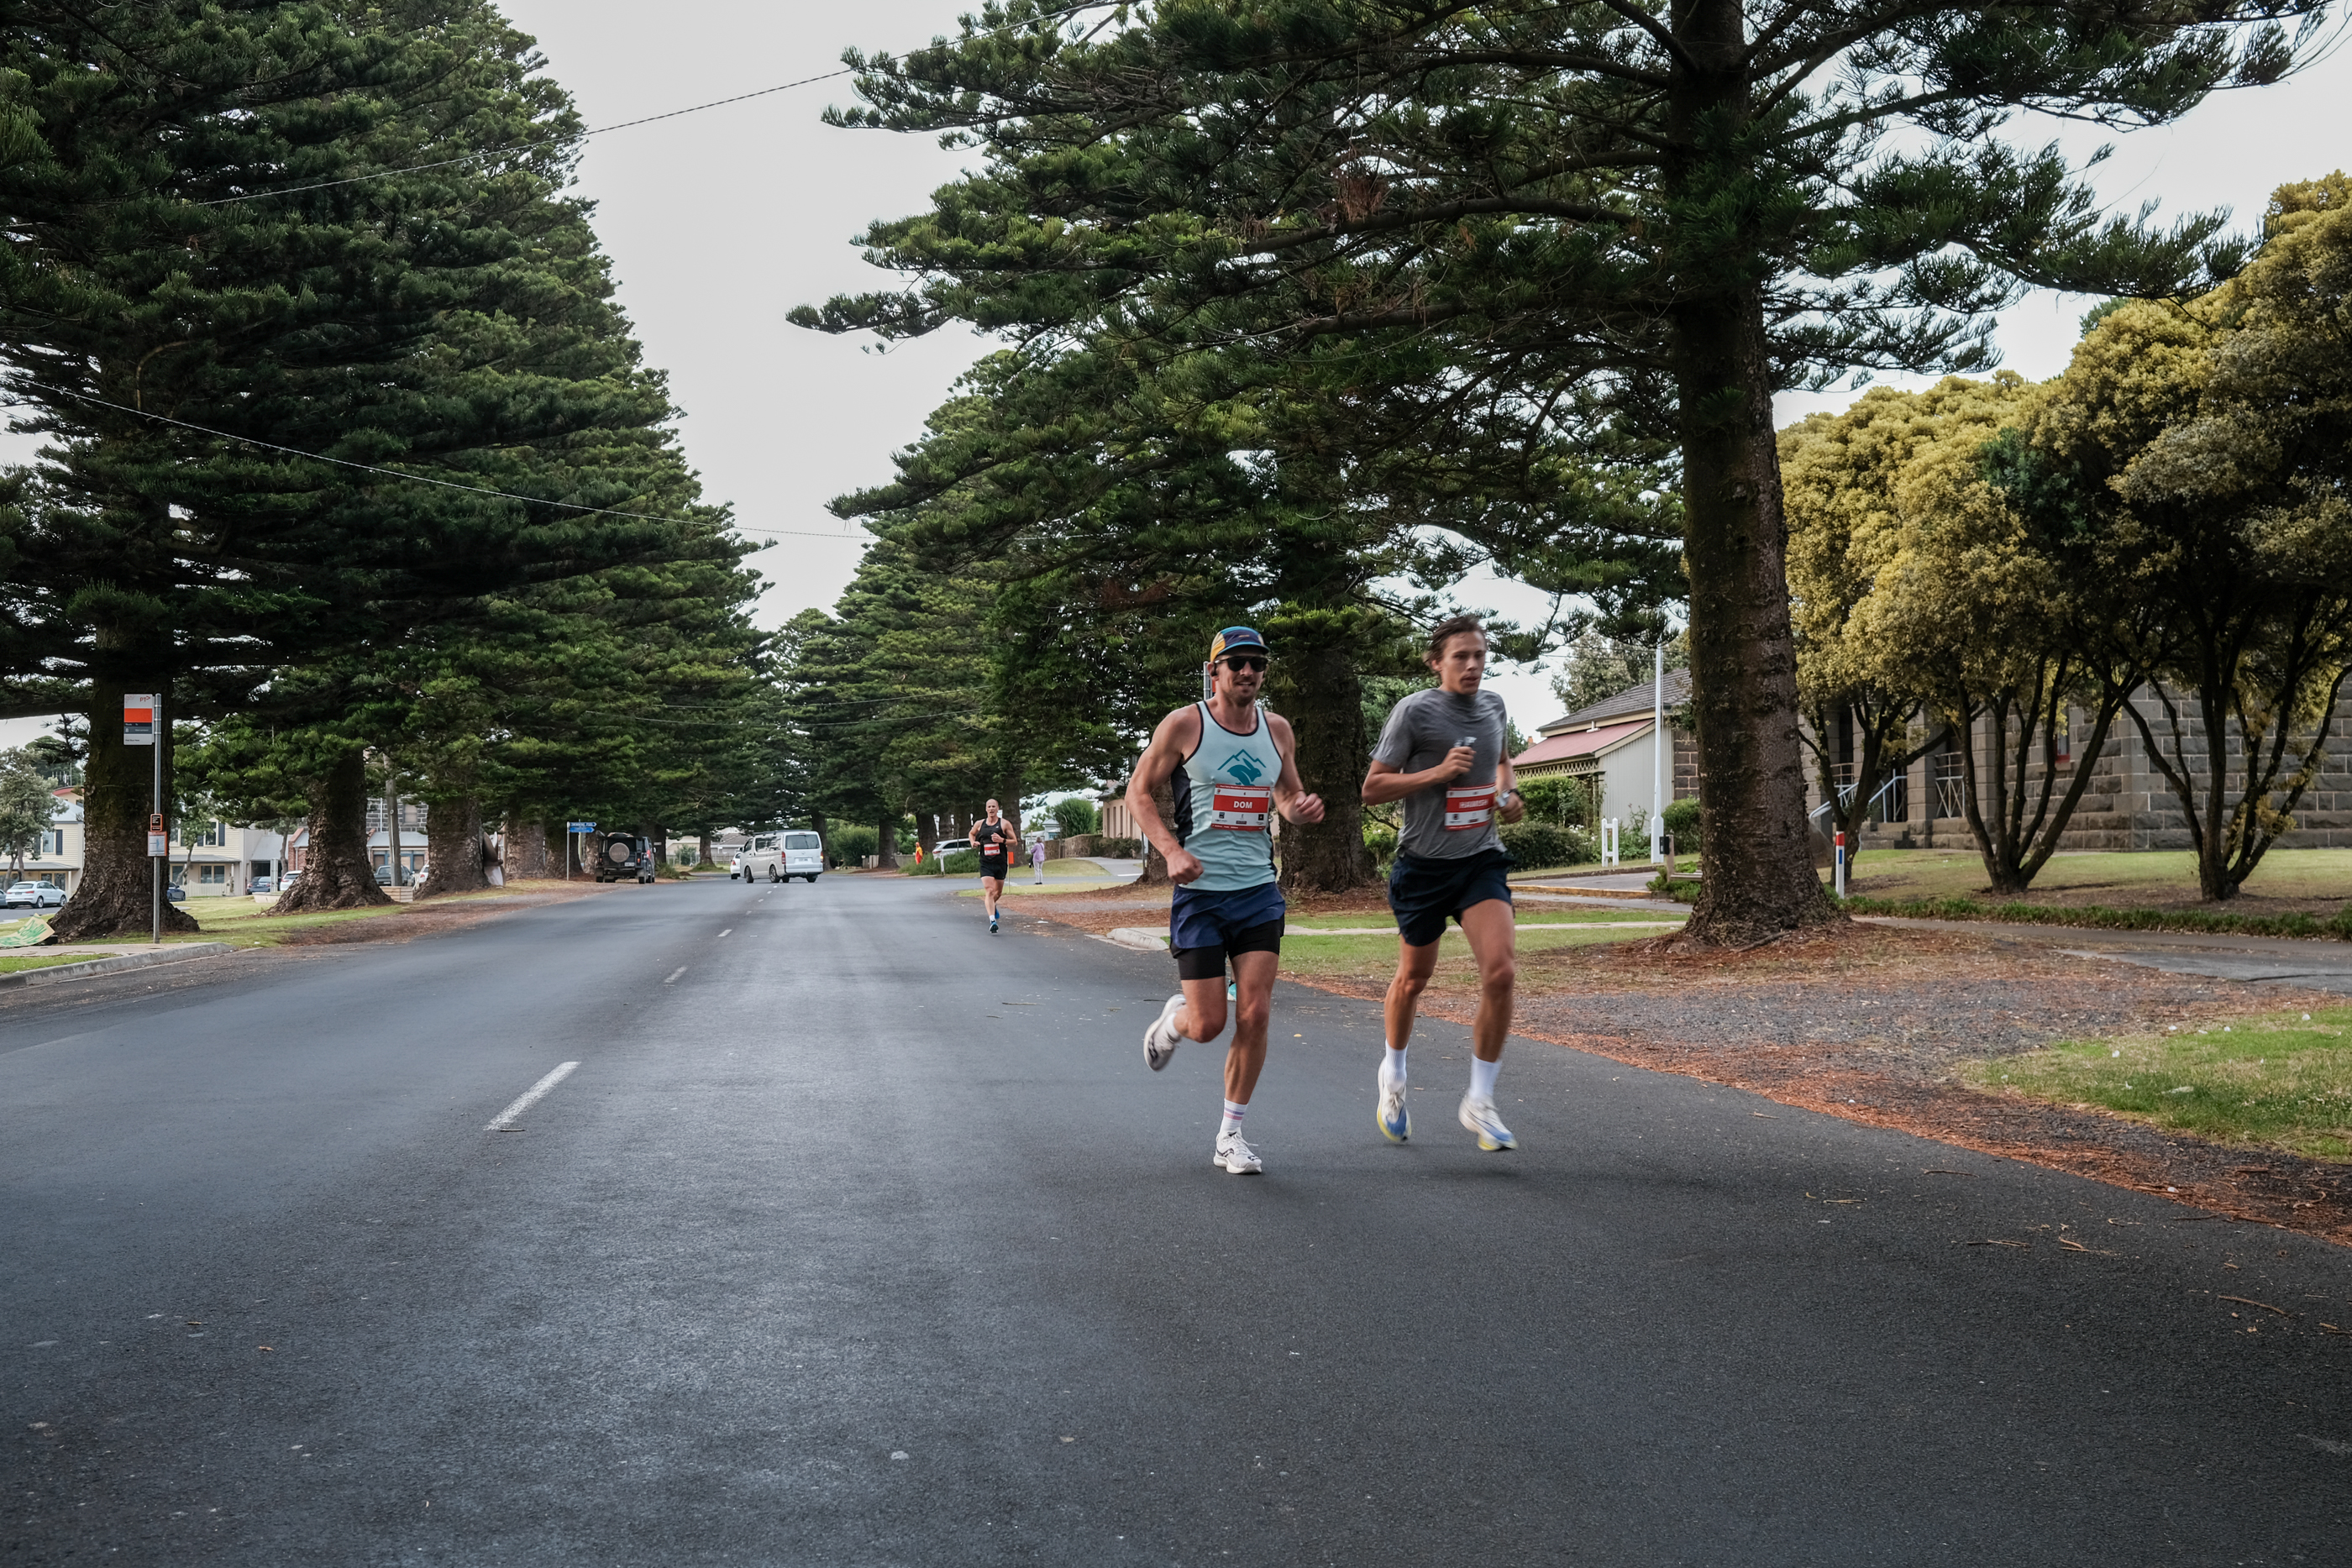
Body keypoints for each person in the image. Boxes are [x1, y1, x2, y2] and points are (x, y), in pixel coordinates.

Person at [1129, 626, 1326, 1175]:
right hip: (1200, 895)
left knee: (1257, 1011)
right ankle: (1174, 1023)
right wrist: (1170, 850)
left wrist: (1298, 809)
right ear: (1213, 671)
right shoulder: (1185, 724)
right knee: (1210, 1022)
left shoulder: (1278, 730)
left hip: (1258, 891)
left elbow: (1285, 795)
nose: (1247, 671)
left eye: (1257, 663)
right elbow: (1137, 791)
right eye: (1236, 662)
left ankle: (1230, 1135)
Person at [1361, 614, 1525, 1151]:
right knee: (1413, 979)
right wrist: (1435, 773)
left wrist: (1508, 796)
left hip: (1480, 860)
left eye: (1480, 654)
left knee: (1500, 972)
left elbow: (1502, 764)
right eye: (1462, 656)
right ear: (1436, 662)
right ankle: (1394, 1075)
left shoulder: (1495, 706)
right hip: (1423, 866)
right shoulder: (1415, 712)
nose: (1474, 665)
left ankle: (1479, 1101)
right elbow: (1373, 788)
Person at [972, 800, 1018, 933]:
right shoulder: (980, 824)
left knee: (997, 893)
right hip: (986, 862)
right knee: (990, 890)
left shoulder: (1004, 823)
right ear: (986, 809)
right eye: (989, 807)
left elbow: (1014, 841)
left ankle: (992, 904)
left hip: (1000, 862)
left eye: (993, 807)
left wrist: (1002, 840)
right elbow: (971, 833)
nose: (991, 809)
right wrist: (972, 842)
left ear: (998, 808)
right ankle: (992, 921)